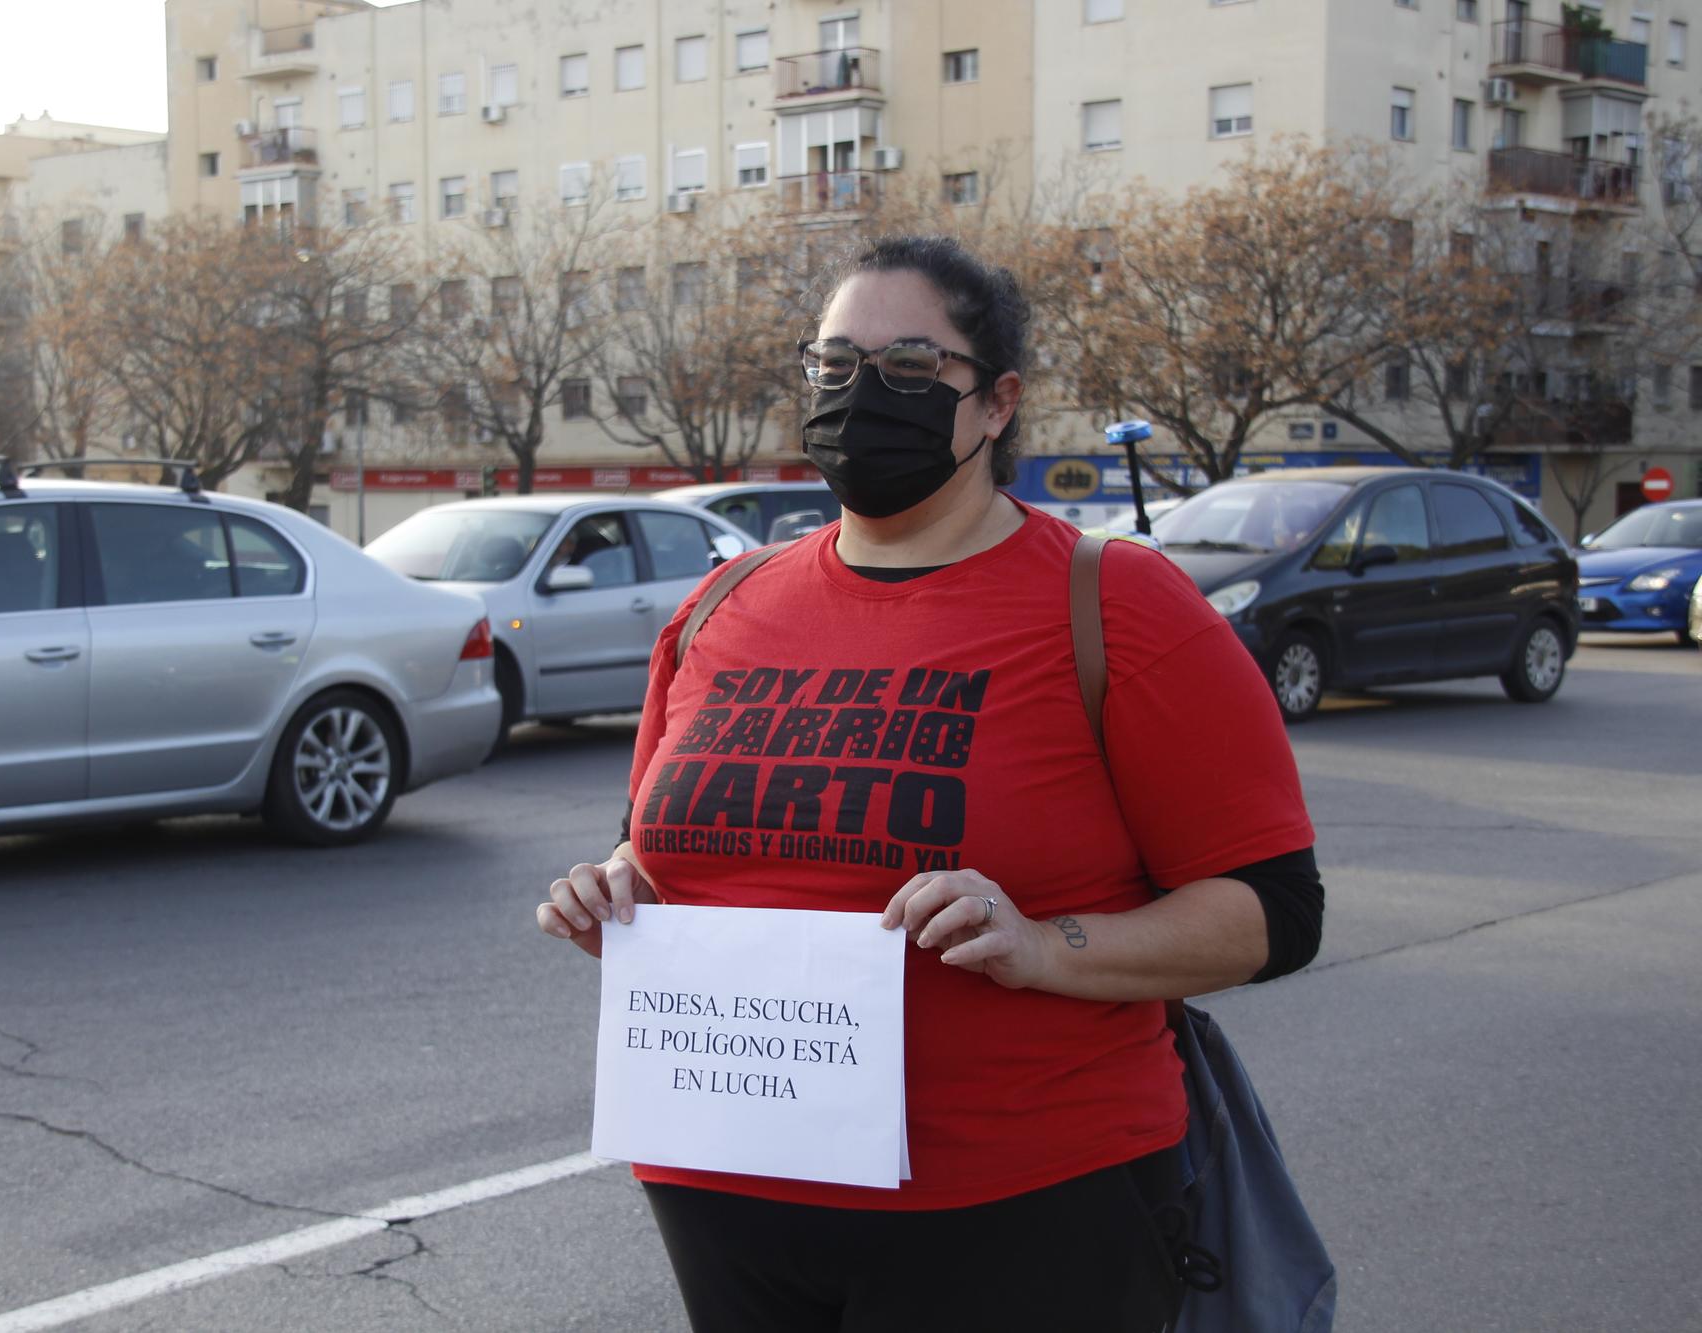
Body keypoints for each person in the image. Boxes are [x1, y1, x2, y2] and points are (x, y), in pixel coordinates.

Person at [537, 234, 1324, 1333]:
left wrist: (1046, 946)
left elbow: (1271, 913)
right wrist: (614, 897)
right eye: (831, 365)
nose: (861, 397)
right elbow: (666, 849)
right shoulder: (720, 606)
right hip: (722, 1186)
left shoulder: (1117, 605)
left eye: (909, 369)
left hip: (1023, 1206)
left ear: (995, 404)